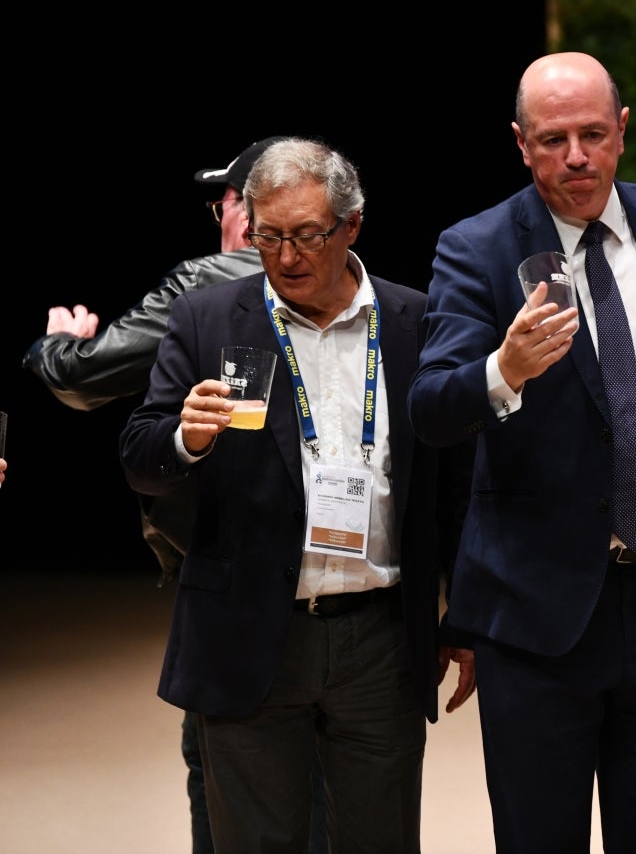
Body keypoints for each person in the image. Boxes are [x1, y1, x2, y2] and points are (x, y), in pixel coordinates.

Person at [408, 51, 636, 853]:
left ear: (622, 131)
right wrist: (504, 370)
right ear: (520, 143)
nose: (576, 157)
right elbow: (431, 409)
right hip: (536, 608)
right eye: (553, 140)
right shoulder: (476, 247)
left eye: (594, 135)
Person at [119, 138, 475, 853]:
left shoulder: (414, 321)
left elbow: (456, 486)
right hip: (249, 630)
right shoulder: (207, 318)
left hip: (380, 639)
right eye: (268, 236)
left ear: (352, 226)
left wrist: (463, 617)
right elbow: (140, 456)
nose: (285, 258)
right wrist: (186, 438)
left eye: (307, 235)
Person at [20, 137, 308, 854]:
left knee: (223, 781)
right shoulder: (358, 293)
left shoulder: (205, 286)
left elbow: (81, 378)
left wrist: (56, 344)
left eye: (223, 204)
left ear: (248, 211)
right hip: (342, 584)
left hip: (230, 586)